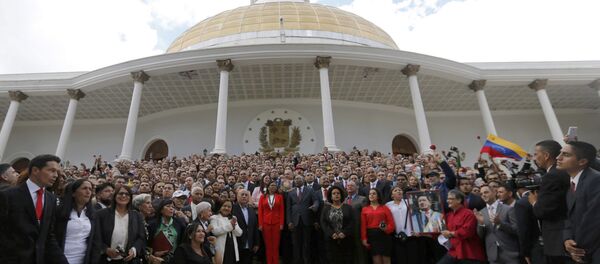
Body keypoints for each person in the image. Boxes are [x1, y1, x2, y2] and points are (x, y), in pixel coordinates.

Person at [0, 154, 68, 264]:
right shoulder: (7, 196)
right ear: (35, 170)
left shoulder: (51, 199)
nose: (56, 175)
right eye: (51, 170)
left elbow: (48, 235)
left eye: (57, 172)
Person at [528, 140, 570, 264]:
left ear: (546, 155)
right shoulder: (565, 172)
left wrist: (534, 202)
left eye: (536, 154)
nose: (534, 158)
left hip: (558, 240)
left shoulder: (552, 176)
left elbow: (543, 211)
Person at [557, 141, 600, 263]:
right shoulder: (572, 183)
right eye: (560, 153)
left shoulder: (596, 180)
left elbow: (594, 221)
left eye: (565, 154)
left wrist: (578, 250)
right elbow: (570, 217)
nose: (558, 157)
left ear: (582, 161)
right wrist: (567, 240)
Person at [92, 185, 146, 264]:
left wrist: (134, 250)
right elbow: (95, 236)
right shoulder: (101, 214)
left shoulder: (137, 216)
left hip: (127, 260)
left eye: (127, 194)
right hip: (105, 259)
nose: (124, 196)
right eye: (120, 193)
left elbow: (141, 237)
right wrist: (105, 249)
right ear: (114, 196)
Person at [438, 190, 485, 264]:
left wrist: (451, 233)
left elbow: (467, 232)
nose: (448, 201)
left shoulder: (469, 213)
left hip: (469, 253)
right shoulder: (448, 216)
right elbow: (441, 232)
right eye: (447, 199)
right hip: (454, 251)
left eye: (451, 199)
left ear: (459, 200)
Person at [475, 185, 519, 264]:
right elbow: (481, 236)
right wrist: (481, 224)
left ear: (494, 192)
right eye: (481, 194)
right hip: (493, 255)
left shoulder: (508, 209)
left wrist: (500, 223)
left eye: (486, 192)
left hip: (510, 253)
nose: (483, 195)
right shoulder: (481, 213)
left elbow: (516, 230)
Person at [55, 179, 95, 264]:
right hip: (61, 259)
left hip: (83, 259)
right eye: (84, 188)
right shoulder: (59, 212)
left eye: (90, 189)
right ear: (73, 193)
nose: (88, 192)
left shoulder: (92, 214)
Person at [286, 175, 319, 264]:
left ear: (303, 180)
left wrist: (315, 206)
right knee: (296, 244)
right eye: (295, 179)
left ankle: (306, 261)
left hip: (307, 220)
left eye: (298, 179)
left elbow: (316, 201)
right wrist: (289, 221)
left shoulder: (310, 190)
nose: (296, 180)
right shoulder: (291, 192)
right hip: (295, 221)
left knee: (306, 244)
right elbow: (288, 208)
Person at [320, 185, 355, 264]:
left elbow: (352, 222)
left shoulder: (348, 208)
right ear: (330, 196)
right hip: (331, 239)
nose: (336, 195)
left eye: (338, 193)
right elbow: (323, 223)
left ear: (341, 195)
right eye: (334, 193)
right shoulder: (326, 209)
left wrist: (344, 233)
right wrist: (332, 233)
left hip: (346, 239)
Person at [385, 186, 419, 264]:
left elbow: (417, 215)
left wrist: (418, 230)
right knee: (401, 259)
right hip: (397, 237)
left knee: (413, 259)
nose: (398, 191)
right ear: (392, 195)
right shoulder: (388, 205)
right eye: (395, 190)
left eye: (400, 190)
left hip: (411, 235)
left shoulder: (409, 201)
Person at [361, 188, 395, 264]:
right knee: (376, 260)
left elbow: (391, 224)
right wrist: (364, 238)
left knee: (386, 260)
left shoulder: (385, 208)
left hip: (384, 235)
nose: (371, 195)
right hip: (372, 237)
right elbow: (363, 226)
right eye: (370, 194)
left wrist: (386, 229)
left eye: (374, 193)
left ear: (378, 196)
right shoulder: (364, 209)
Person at [147, 198, 187, 263]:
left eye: (173, 207)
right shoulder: (152, 224)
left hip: (174, 258)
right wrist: (154, 253)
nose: (171, 208)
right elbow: (147, 243)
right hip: (156, 259)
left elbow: (183, 241)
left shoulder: (179, 223)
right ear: (161, 210)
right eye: (168, 206)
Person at [258, 182, 285, 264]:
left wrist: (281, 224)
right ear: (268, 187)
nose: (273, 187)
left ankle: (275, 262)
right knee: (268, 246)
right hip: (266, 223)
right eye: (271, 185)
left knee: (276, 246)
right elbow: (260, 211)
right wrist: (260, 224)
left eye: (274, 186)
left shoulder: (279, 197)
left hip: (276, 223)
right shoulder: (263, 197)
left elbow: (281, 211)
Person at [232, 189, 259, 264]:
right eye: (242, 194)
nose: (244, 196)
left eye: (246, 195)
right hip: (237, 244)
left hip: (249, 244)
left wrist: (256, 243)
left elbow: (255, 227)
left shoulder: (251, 210)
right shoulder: (232, 208)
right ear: (237, 197)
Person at [345, 180, 368, 264]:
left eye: (352, 185)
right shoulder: (343, 200)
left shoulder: (363, 199)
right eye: (348, 186)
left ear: (357, 187)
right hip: (347, 230)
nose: (349, 187)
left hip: (358, 229)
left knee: (360, 252)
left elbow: (365, 216)